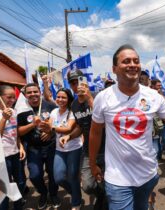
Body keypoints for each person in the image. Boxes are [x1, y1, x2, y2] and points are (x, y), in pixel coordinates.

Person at [89, 44, 165, 210]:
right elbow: (95, 132)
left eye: (136, 61)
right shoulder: (103, 98)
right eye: (126, 61)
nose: (133, 64)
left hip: (148, 175)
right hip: (117, 179)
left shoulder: (153, 96)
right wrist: (92, 163)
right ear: (114, 68)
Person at [59, 69, 108, 210]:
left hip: (107, 148)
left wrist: (90, 99)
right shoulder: (74, 105)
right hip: (89, 150)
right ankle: (102, 195)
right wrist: (69, 136)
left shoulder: (97, 96)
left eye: (78, 81)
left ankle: (105, 202)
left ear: (84, 81)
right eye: (72, 83)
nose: (76, 85)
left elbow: (106, 121)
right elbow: (81, 127)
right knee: (87, 185)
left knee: (108, 181)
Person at [17, 83, 60, 209]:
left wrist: (51, 132)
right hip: (33, 148)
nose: (33, 94)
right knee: (35, 175)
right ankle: (43, 193)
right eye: (29, 92)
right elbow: (18, 131)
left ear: (39, 92)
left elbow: (59, 123)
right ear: (25, 95)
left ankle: (53, 194)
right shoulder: (21, 109)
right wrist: (32, 125)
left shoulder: (50, 105)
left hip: (51, 146)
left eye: (35, 91)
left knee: (53, 174)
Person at [0, 85, 25, 210]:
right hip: (2, 156)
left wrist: (21, 147)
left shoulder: (14, 111)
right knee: (4, 186)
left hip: (15, 153)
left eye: (14, 97)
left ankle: (19, 207)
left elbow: (15, 133)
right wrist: (3, 118)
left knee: (20, 183)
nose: (12, 100)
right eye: (9, 97)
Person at [49, 88, 82, 209]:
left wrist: (51, 128)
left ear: (68, 99)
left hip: (74, 148)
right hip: (59, 149)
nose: (60, 100)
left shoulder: (72, 112)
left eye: (63, 97)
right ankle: (75, 192)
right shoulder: (53, 112)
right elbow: (49, 125)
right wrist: (45, 126)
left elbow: (68, 128)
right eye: (58, 97)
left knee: (72, 176)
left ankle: (76, 202)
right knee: (58, 178)